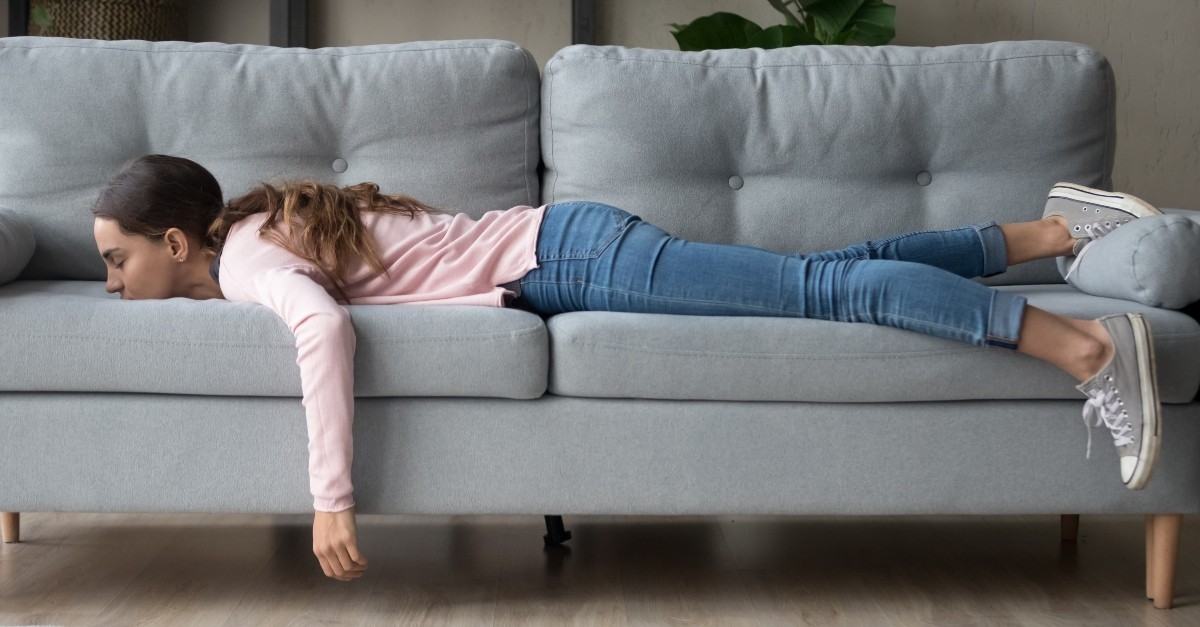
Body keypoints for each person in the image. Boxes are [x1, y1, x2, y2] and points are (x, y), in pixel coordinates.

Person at [91, 154, 1163, 581]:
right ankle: (1054, 234)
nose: (109, 282)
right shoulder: (248, 236)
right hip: (569, 246)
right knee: (815, 271)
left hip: (572, 256)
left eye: (116, 259)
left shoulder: (242, 263)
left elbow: (322, 332)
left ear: (177, 243)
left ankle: (1089, 349)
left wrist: (332, 501)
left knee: (819, 294)